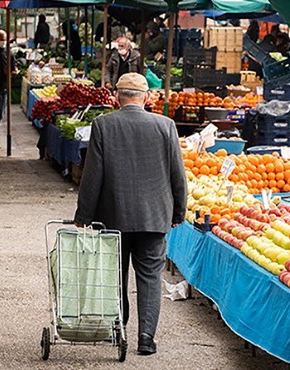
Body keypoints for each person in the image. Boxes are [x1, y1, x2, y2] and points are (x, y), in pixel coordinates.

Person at [74, 73, 187, 356]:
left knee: (115, 275)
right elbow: (178, 175)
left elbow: (92, 176)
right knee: (150, 277)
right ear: (147, 98)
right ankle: (146, 337)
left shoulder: (103, 125)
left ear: (116, 98)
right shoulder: (166, 126)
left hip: (114, 215)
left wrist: (84, 214)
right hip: (154, 217)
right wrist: (178, 211)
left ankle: (119, 329)